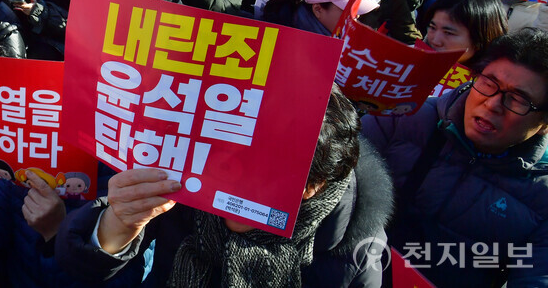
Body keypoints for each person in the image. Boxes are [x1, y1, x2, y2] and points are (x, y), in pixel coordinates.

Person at [56, 87, 393, 287]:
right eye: (231, 167)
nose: (234, 192)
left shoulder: (356, 252)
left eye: (265, 181)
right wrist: (118, 224)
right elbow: (80, 266)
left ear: (315, 188)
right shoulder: (189, 186)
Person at [363, 27, 548, 287]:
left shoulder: (540, 196)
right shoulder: (403, 116)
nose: (492, 103)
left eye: (518, 99)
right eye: (488, 83)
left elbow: (537, 276)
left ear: (544, 123)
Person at [417, 0, 507, 70]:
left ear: (480, 39)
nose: (436, 41)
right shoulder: (413, 64)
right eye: (433, 28)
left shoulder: (492, 83)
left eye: (448, 33)